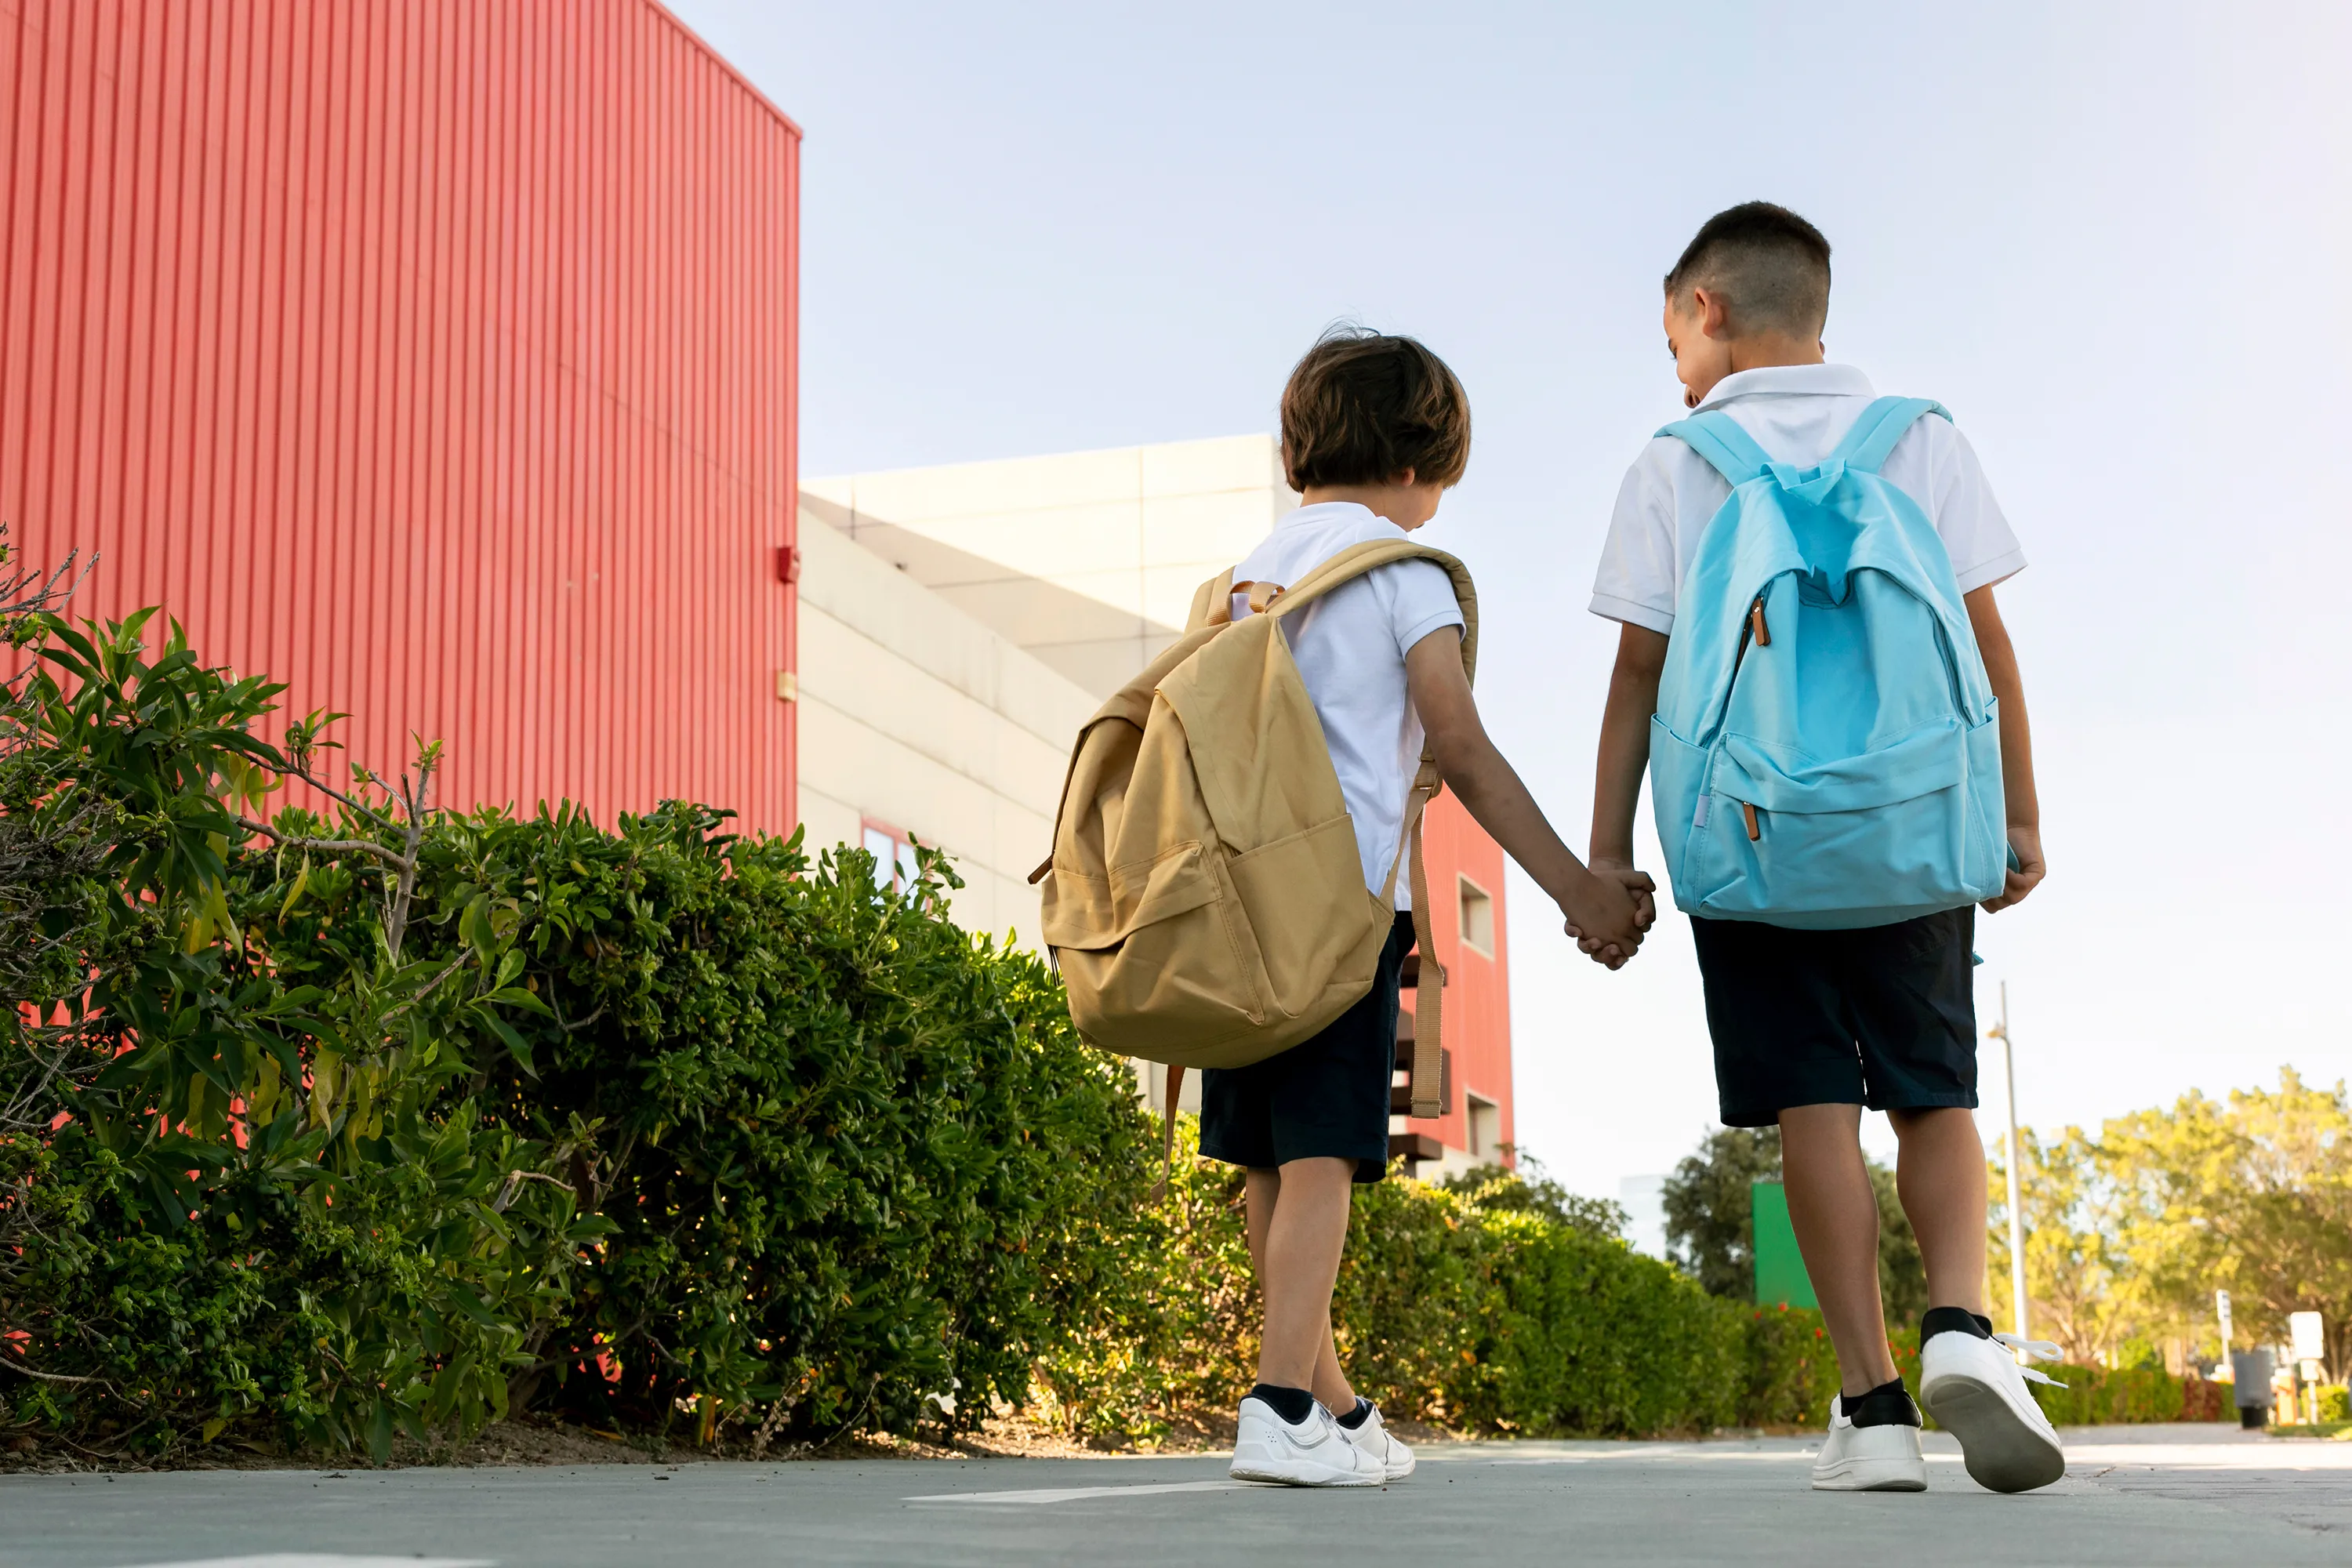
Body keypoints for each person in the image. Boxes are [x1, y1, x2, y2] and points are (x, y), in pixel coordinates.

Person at [1583, 202, 2063, 1494]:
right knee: (1936, 1090)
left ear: (1709, 312)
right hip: (1911, 826)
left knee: (1814, 1105)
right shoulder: (1919, 438)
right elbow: (1990, 646)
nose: (1672, 365)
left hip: (1750, 839)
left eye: (1670, 333)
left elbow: (1637, 675)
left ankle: (1875, 1410)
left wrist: (1607, 856)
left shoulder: (1676, 462)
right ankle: (1963, 1324)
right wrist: (2016, 817)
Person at [1216, 327, 1649, 1487]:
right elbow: (1458, 746)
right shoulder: (1401, 576)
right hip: (1339, 911)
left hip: (1233, 914)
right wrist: (1579, 887)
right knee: (1323, 1163)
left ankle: (1336, 1413)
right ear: (1426, 462)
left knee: (1269, 1166)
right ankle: (1274, 1406)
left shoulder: (1246, 579)